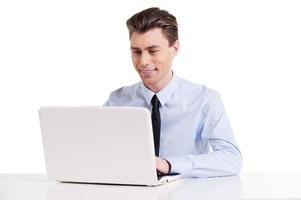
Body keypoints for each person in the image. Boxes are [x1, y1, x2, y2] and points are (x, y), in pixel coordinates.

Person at [104, 7, 242, 178]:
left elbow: (231, 160)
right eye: (136, 52)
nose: (143, 61)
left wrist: (169, 165)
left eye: (153, 51)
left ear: (174, 48)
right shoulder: (117, 101)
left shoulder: (204, 100)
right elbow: (96, 149)